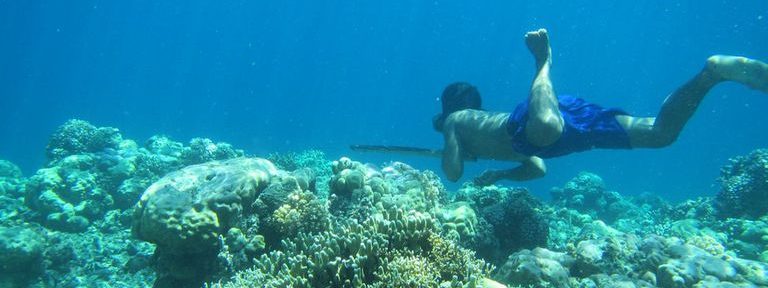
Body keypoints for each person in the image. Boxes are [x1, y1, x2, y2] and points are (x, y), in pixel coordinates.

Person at [433, 28, 768, 186]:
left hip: (533, 124)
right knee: (660, 133)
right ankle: (711, 75)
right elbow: (538, 168)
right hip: (559, 131)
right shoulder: (475, 122)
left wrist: (455, 150)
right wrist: (499, 175)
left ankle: (543, 61)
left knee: (546, 127)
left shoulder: (457, 120)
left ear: (451, 107)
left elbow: (452, 173)